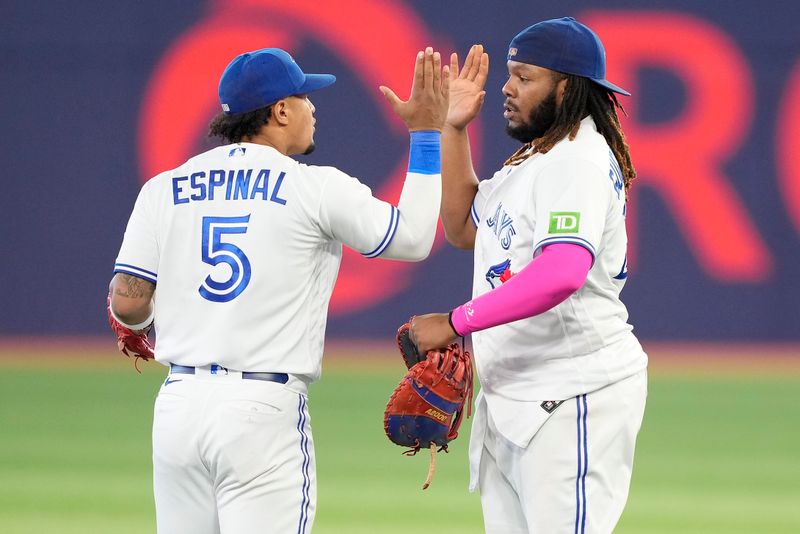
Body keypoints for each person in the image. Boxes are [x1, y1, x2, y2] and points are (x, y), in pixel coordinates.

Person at [107, 46, 449, 534]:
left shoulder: (163, 188)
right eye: (305, 96)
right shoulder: (315, 187)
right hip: (261, 409)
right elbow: (413, 238)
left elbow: (129, 300)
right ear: (280, 110)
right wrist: (426, 134)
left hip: (179, 407)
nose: (313, 107)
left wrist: (141, 327)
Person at [409, 17, 648, 533]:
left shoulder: (577, 160)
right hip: (521, 398)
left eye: (524, 76)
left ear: (566, 87)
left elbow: (562, 272)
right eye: (510, 75)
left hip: (572, 394)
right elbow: (461, 226)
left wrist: (457, 321)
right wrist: (452, 129)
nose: (507, 88)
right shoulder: (537, 158)